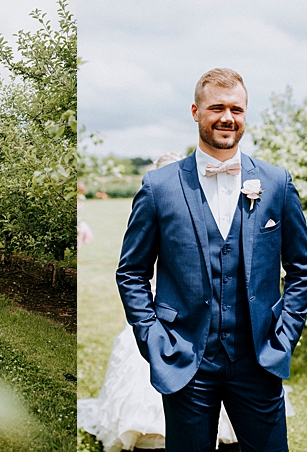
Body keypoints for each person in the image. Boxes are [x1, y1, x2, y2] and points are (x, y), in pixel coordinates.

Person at [115, 68, 307, 452]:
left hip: (259, 358)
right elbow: (131, 272)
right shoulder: (158, 187)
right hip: (185, 359)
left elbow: (302, 268)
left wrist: (285, 335)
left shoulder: (276, 182)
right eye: (217, 108)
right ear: (195, 111)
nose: (228, 117)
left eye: (237, 109)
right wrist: (153, 338)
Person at [80, 151, 261, 451]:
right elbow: (132, 270)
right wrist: (150, 332)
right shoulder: (153, 195)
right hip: (169, 324)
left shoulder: (220, 198)